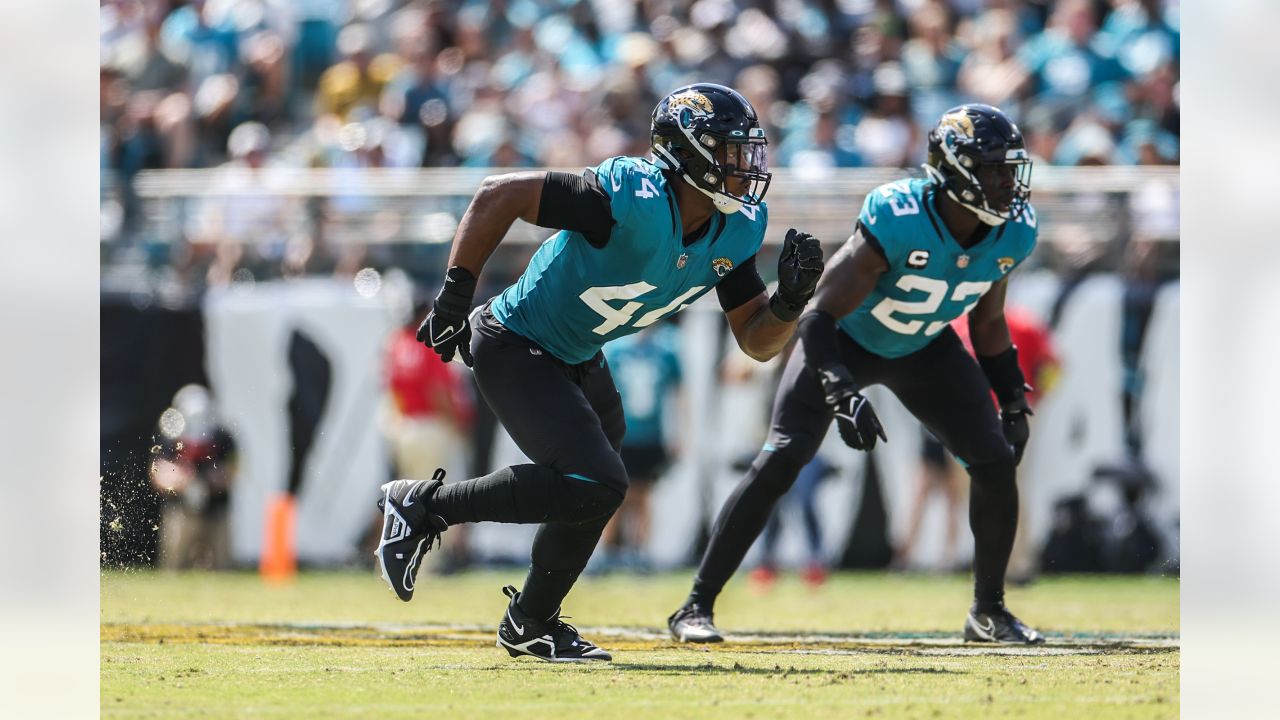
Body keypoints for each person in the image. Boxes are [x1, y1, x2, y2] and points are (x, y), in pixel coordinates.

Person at [374, 83, 825, 662]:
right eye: (732, 153)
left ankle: (531, 622)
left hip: (579, 353)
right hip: (515, 341)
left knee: (595, 489)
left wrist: (790, 301)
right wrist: (455, 296)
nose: (748, 168)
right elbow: (498, 194)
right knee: (598, 482)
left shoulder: (736, 228)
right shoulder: (629, 196)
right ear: (687, 154)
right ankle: (423, 506)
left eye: (750, 152)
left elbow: (756, 341)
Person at [669, 104, 1046, 645]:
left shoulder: (1012, 232)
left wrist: (1012, 397)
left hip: (924, 346)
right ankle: (695, 607)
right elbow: (819, 314)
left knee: (993, 461)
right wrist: (840, 389)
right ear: (955, 170)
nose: (1008, 183)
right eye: (994, 169)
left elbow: (988, 322)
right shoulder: (901, 214)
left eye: (1011, 169)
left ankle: (989, 612)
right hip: (845, 342)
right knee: (780, 461)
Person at [597, 324, 683, 573]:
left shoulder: (668, 347)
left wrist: (678, 431)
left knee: (643, 495)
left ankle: (639, 552)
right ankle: (607, 552)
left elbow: (678, 392)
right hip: (620, 433)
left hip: (651, 435)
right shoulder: (615, 348)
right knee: (614, 495)